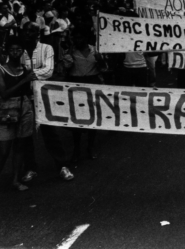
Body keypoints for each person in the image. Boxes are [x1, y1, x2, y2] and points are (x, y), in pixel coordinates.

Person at [20, 22, 75, 182]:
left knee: (50, 132)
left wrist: (26, 75)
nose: (28, 34)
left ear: (38, 34)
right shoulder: (19, 50)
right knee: (26, 134)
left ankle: (62, 165)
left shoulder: (46, 48)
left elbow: (48, 70)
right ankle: (30, 168)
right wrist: (27, 76)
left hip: (43, 97)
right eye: (26, 31)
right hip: (25, 97)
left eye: (32, 31)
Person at [61, 27, 106, 162]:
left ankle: (90, 147)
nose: (78, 40)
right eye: (76, 38)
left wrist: (100, 60)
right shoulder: (71, 52)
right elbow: (66, 67)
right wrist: (69, 51)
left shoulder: (95, 50)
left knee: (93, 117)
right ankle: (76, 149)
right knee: (77, 119)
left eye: (80, 37)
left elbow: (104, 68)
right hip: (76, 85)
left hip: (92, 83)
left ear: (86, 38)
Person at [0, 36, 35, 191]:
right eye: (12, 49)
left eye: (18, 50)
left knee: (20, 146)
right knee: (4, 149)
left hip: (25, 106)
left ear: (23, 52)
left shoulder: (26, 69)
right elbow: (4, 94)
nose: (15, 52)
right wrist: (24, 80)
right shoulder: (1, 69)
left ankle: (15, 180)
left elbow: (30, 92)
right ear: (7, 51)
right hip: (6, 108)